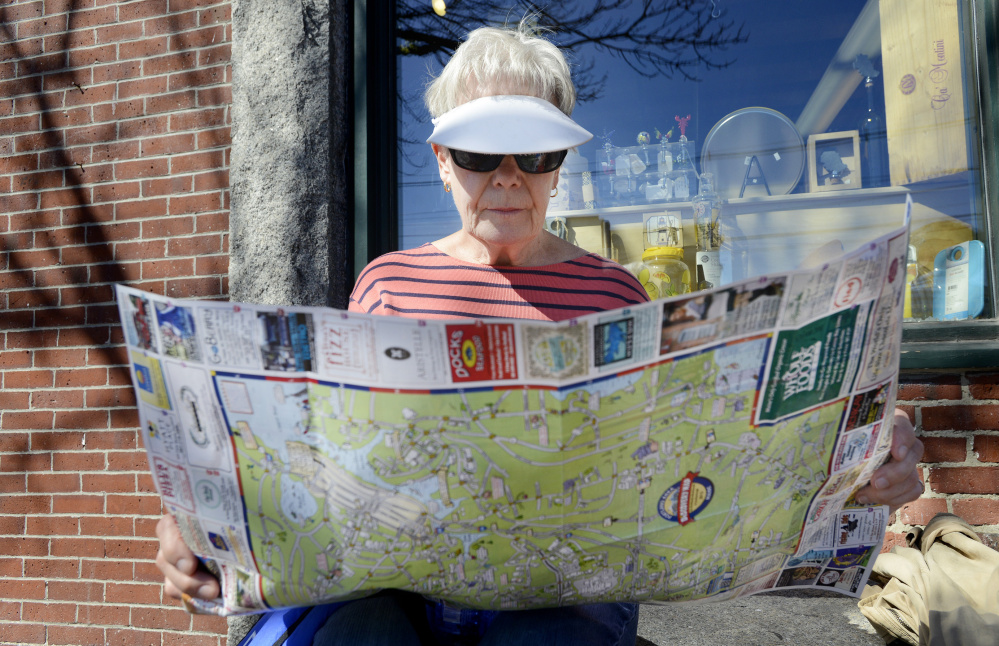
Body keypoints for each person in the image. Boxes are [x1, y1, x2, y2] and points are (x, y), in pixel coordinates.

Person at [154, 22, 925, 646]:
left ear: (561, 165)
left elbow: (698, 449)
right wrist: (202, 524)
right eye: (480, 152)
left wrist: (859, 451)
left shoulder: (615, 293)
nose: (508, 175)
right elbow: (315, 449)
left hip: (561, 598)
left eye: (535, 152)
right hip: (395, 586)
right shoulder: (385, 283)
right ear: (441, 161)